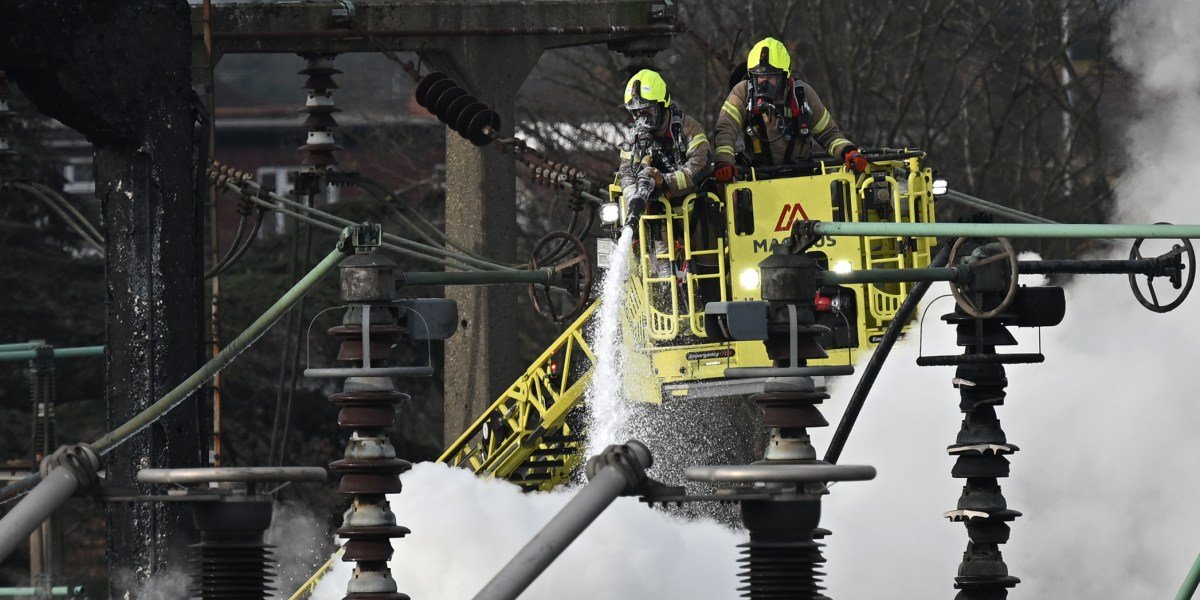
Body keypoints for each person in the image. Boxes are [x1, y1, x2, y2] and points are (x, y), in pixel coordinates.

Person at [712, 37, 868, 182]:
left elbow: (829, 133)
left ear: (784, 76)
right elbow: (726, 128)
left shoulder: (802, 94)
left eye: (771, 77)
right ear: (752, 76)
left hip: (801, 180)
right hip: (757, 183)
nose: (764, 83)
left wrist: (848, 151)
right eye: (759, 77)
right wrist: (724, 161)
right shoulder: (743, 92)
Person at [618, 68, 712, 224]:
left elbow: (700, 163)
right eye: (636, 112)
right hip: (658, 216)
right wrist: (633, 198)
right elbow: (626, 172)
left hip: (693, 211)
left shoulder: (687, 127)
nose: (642, 119)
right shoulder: (633, 138)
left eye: (648, 110)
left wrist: (664, 181)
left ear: (662, 106)